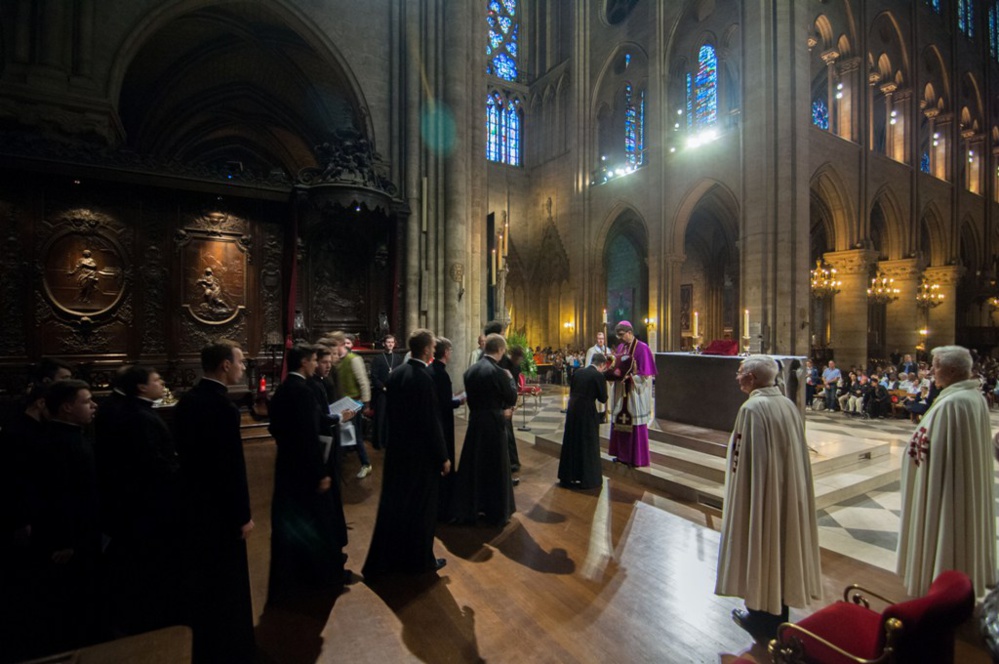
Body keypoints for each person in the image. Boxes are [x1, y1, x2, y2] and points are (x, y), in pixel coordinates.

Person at [716, 355, 822, 644]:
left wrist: (743, 496)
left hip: (760, 495)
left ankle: (760, 617)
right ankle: (778, 611)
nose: (737, 377)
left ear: (751, 379)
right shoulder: (786, 404)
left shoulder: (752, 408)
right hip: (784, 492)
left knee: (762, 545)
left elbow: (743, 462)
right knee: (780, 548)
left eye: (740, 373)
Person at [173, 340, 255, 664]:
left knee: (203, 578)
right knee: (227, 581)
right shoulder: (223, 408)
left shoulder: (187, 401)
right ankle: (230, 646)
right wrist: (242, 516)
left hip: (195, 505)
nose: (243, 367)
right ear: (224, 365)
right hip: (222, 513)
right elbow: (230, 469)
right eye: (240, 362)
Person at [897, 345, 997, 597]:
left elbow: (938, 456)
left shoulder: (954, 404)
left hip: (945, 491)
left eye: (936, 365)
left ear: (952, 370)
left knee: (946, 529)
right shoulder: (971, 398)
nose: (931, 370)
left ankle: (942, 589)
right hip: (958, 485)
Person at [101, 366, 183, 635]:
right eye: (157, 380)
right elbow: (153, 461)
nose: (162, 383)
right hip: (149, 503)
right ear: (141, 387)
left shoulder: (136, 411)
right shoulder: (139, 417)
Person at [363, 329, 451, 577]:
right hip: (420, 456)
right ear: (425, 349)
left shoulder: (397, 374)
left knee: (397, 506)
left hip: (398, 451)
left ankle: (394, 558)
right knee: (422, 509)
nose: (434, 350)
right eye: (433, 347)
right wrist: (443, 456)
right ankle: (422, 560)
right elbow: (430, 422)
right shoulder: (423, 378)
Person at [267, 345, 349, 602]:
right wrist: (321, 472)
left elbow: (275, 428)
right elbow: (309, 436)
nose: (317, 365)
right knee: (317, 521)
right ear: (304, 362)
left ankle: (296, 575)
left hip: (288, 466)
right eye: (315, 360)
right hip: (307, 469)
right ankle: (321, 575)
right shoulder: (302, 392)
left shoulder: (283, 389)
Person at [32, 380, 101, 653]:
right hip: (72, 539)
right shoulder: (58, 443)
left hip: (84, 531)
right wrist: (65, 540)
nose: (94, 405)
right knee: (73, 602)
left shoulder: (72, 435)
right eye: (86, 401)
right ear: (67, 408)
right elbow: (56, 495)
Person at [453, 333, 519, 525]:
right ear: (499, 350)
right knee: (495, 467)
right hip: (494, 422)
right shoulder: (499, 372)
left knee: (474, 464)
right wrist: (510, 381)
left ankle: (472, 507)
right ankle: (496, 511)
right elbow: (511, 398)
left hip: (475, 422)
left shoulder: (470, 372)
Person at [606, 321, 657, 468]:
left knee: (633, 423)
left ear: (630, 332)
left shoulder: (643, 348)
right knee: (620, 423)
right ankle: (622, 455)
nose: (620, 339)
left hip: (634, 393)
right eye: (618, 336)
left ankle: (636, 458)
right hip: (621, 391)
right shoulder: (622, 347)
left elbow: (645, 375)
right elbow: (617, 366)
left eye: (622, 335)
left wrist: (631, 378)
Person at [558, 352, 609, 489]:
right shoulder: (598, 376)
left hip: (573, 409)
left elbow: (572, 390)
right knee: (587, 442)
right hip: (587, 411)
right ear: (602, 365)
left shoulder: (578, 372)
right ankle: (588, 478)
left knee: (572, 440)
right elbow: (603, 398)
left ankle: (568, 475)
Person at [431, 336, 466, 521]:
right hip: (443, 423)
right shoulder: (441, 373)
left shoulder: (431, 370)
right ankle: (445, 507)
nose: (451, 354)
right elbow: (444, 403)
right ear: (446, 352)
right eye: (450, 351)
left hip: (438, 421)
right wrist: (459, 400)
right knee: (445, 460)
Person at [335, 331, 374, 478]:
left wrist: (366, 404)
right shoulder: (337, 360)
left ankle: (366, 463)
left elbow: (363, 382)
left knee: (356, 435)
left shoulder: (354, 359)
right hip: (340, 404)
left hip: (353, 403)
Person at [370, 334, 402, 450]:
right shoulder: (378, 358)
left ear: (394, 344)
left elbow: (400, 375)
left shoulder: (398, 358)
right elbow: (374, 377)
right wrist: (383, 388)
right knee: (381, 417)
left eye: (392, 342)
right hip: (382, 393)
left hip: (394, 393)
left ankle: (391, 442)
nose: (390, 344)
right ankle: (379, 442)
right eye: (388, 342)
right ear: (384, 344)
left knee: (392, 417)